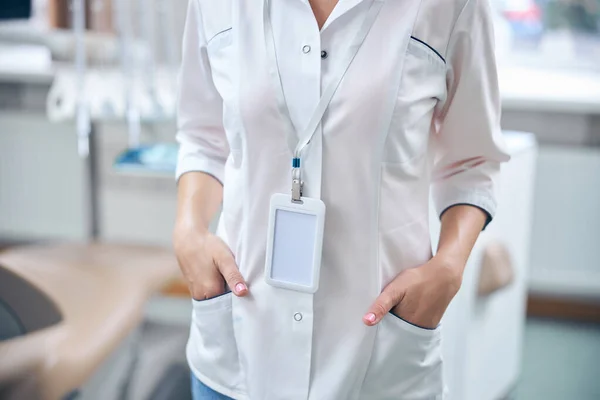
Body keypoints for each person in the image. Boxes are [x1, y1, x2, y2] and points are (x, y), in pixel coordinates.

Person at [173, 0, 510, 399]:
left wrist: (449, 268)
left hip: (379, 356)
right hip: (238, 353)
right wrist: (188, 230)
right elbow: (203, 137)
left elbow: (472, 161)